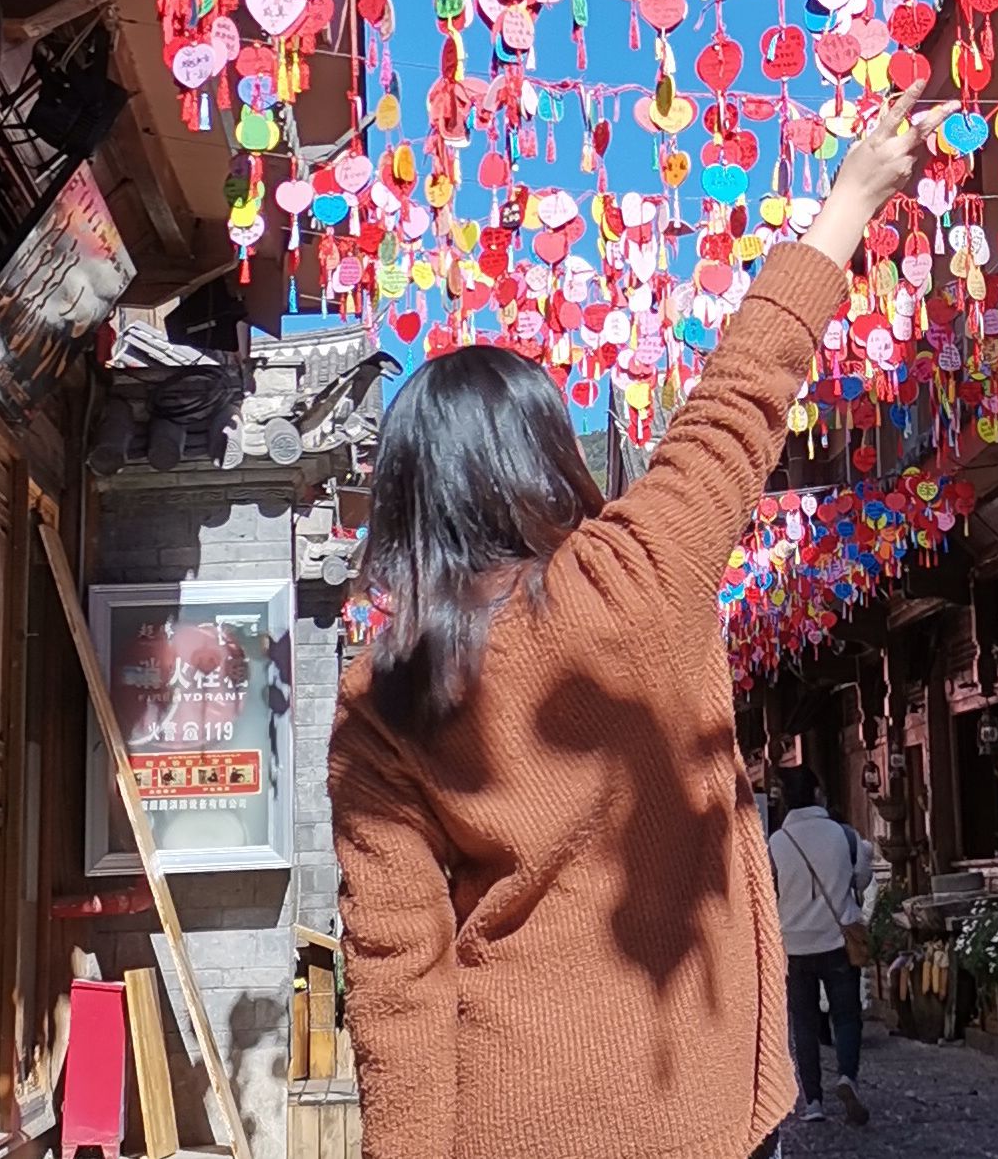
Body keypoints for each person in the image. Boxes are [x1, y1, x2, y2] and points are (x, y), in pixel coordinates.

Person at [329, 88, 939, 1159]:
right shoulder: (638, 571)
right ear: (546, 462)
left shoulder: (380, 696)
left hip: (501, 1116)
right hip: (691, 1108)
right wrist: (849, 201)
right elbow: (742, 392)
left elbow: (395, 976)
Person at [766, 766, 875, 1128]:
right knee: (846, 1016)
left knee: (805, 1024)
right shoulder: (843, 835)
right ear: (815, 794)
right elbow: (861, 878)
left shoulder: (776, 843)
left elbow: (771, 892)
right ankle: (846, 1076)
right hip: (837, 940)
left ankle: (813, 1101)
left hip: (795, 946)